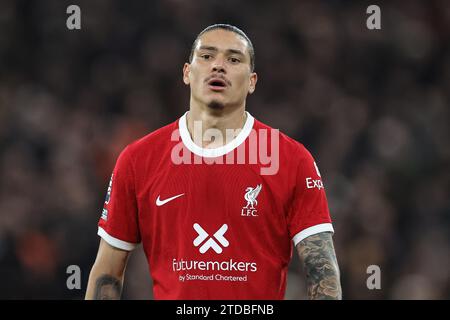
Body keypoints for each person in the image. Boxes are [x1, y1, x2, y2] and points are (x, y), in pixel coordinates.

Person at [85, 24, 342, 300]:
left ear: (252, 81)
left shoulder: (290, 160)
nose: (218, 66)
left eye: (233, 59)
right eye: (207, 56)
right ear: (187, 73)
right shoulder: (138, 160)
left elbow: (322, 273)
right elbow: (108, 271)